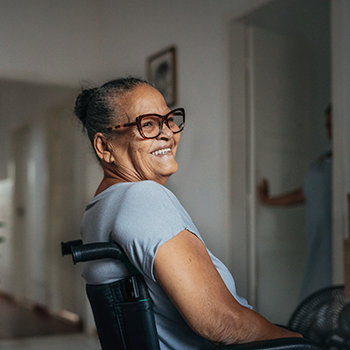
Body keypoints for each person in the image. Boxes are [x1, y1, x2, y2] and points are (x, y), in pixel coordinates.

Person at [74, 77, 301, 349]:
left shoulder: (97, 210)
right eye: (147, 124)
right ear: (104, 147)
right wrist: (299, 341)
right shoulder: (142, 196)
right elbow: (221, 322)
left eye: (169, 119)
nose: (168, 133)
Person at [257, 105, 332, 301]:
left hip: (338, 244)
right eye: (328, 125)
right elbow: (303, 194)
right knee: (314, 299)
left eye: (335, 123)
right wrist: (267, 199)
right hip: (318, 244)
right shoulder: (321, 162)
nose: (331, 130)